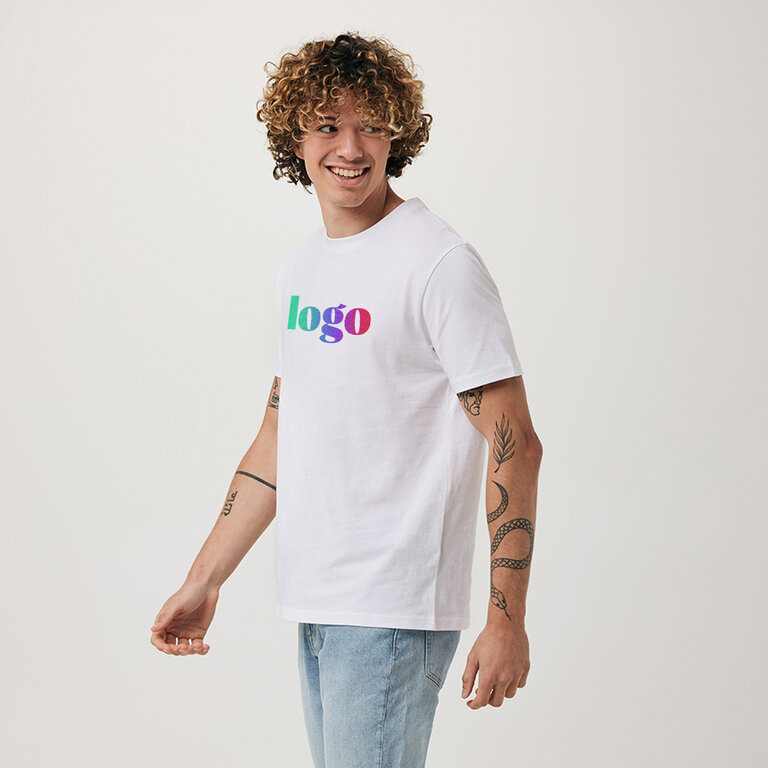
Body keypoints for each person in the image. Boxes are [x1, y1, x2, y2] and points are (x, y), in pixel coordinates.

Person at [150, 31, 543, 768]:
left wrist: (506, 620)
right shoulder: (303, 269)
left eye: (371, 125)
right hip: (318, 600)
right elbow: (279, 439)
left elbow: (514, 440)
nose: (351, 148)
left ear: (398, 133)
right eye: (328, 125)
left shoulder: (438, 263)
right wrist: (204, 579)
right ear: (294, 139)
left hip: (393, 609)